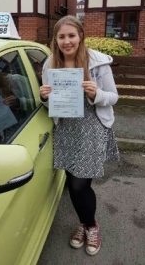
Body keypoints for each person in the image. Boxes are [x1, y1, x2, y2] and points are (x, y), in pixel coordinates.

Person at [39, 15, 119, 256]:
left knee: (78, 185)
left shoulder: (97, 62)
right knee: (75, 183)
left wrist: (97, 94)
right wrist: (43, 98)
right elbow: (49, 104)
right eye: (61, 36)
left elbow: (113, 96)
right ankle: (84, 223)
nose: (67, 41)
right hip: (66, 129)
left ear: (81, 36)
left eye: (71, 35)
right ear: (56, 39)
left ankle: (91, 226)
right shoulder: (50, 63)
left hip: (91, 127)